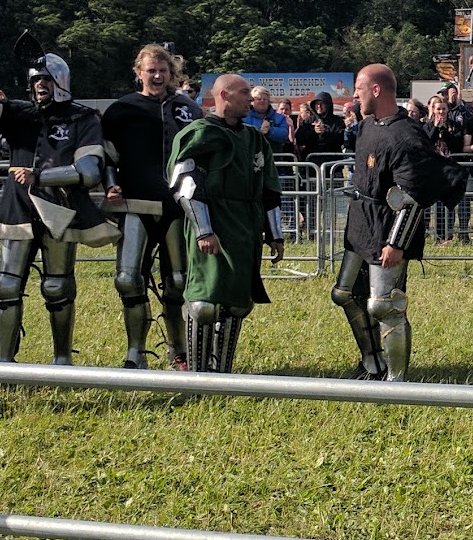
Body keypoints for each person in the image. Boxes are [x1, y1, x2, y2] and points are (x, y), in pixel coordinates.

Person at [0, 32, 115, 363]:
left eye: (46, 78)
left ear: (60, 81)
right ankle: (3, 362)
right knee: (5, 285)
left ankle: (62, 360)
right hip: (18, 206)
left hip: (60, 207)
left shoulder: (82, 118)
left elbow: (88, 171)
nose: (40, 84)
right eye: (36, 79)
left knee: (58, 286)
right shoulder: (18, 113)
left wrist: (40, 176)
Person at [330, 65, 464, 379]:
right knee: (345, 293)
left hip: (387, 228)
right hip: (361, 222)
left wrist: (397, 242)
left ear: (376, 90)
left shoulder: (407, 135)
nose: (355, 95)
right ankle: (372, 362)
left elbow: (414, 195)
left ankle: (396, 380)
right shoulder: (367, 125)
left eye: (360, 88)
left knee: (384, 305)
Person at [169, 72, 284, 373]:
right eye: (244, 92)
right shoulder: (199, 133)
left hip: (246, 224)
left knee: (238, 302)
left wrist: (275, 234)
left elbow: (269, 187)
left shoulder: (254, 138)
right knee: (204, 303)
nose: (251, 99)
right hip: (213, 220)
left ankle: (223, 374)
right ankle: (197, 376)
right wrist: (203, 230)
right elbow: (185, 185)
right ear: (223, 95)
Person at [102, 43, 199, 369]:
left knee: (179, 281)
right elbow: (107, 156)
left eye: (163, 70)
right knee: (129, 279)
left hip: (177, 207)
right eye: (151, 70)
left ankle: (179, 351)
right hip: (135, 204)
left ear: (172, 72)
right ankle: (136, 352)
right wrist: (110, 185)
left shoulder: (187, 109)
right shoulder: (121, 109)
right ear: (139, 72)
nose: (157, 76)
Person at [293, 91, 347, 161]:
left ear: (328, 105)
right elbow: (300, 139)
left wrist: (325, 132)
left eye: (322, 103)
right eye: (317, 104)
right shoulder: (308, 121)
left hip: (332, 160)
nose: (319, 106)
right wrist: (313, 132)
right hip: (312, 161)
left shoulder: (337, 121)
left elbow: (341, 139)